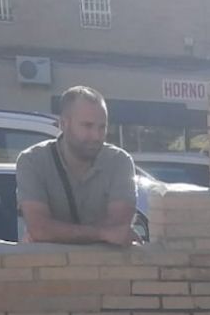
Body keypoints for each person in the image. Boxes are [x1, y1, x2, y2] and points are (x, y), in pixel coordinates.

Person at [16, 86, 137, 245]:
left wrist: (56, 232)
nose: (96, 136)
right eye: (87, 126)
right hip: (50, 262)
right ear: (63, 124)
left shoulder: (119, 162)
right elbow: (39, 228)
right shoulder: (32, 161)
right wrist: (102, 233)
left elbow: (118, 227)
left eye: (102, 127)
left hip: (105, 262)